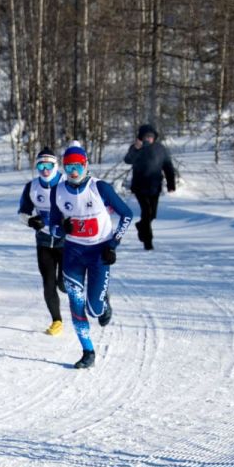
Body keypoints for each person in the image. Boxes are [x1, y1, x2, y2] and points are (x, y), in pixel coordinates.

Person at [50, 141, 133, 369]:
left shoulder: (100, 188)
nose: (74, 172)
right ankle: (88, 352)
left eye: (78, 166)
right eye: (69, 167)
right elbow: (53, 226)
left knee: (94, 310)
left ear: (86, 165)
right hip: (73, 254)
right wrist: (62, 229)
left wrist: (113, 244)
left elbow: (127, 214)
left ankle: (103, 302)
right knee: (76, 304)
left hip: (99, 252)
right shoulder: (58, 191)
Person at [17, 146, 66, 336]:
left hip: (66, 241)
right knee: (48, 282)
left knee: (63, 284)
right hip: (44, 242)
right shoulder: (32, 187)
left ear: (56, 166)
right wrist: (30, 221)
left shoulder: (66, 183)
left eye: (49, 165)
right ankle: (56, 321)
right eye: (40, 166)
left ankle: (94, 293)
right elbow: (22, 212)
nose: (45, 170)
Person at [123, 124, 175, 250]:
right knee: (147, 213)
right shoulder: (136, 148)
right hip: (140, 187)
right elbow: (127, 160)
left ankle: (141, 226)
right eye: (146, 136)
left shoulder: (160, 148)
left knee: (152, 215)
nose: (148, 139)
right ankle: (148, 242)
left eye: (151, 136)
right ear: (141, 137)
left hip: (155, 186)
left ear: (154, 137)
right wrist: (135, 149)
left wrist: (171, 183)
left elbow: (168, 166)